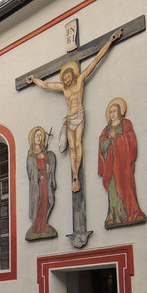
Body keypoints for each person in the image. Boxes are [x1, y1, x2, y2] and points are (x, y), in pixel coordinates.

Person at [26, 29, 122, 192]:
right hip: (69, 118)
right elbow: (46, 85)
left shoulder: (80, 80)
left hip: (80, 114)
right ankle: (75, 176)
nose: (67, 79)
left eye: (68, 77)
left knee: (78, 143)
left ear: (73, 75)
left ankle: (77, 173)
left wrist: (110, 41)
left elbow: (96, 60)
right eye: (64, 78)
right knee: (71, 148)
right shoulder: (63, 88)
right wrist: (34, 79)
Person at [98, 97, 146, 228]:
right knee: (112, 189)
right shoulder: (106, 129)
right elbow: (102, 146)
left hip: (123, 164)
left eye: (115, 111)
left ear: (120, 112)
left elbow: (131, 140)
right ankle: (113, 216)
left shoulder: (126, 124)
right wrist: (108, 140)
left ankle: (132, 213)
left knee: (126, 186)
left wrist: (117, 138)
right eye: (111, 111)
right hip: (110, 165)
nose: (112, 114)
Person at [25, 125, 57, 240]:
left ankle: (43, 224)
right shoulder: (31, 157)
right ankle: (36, 226)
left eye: (40, 136)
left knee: (46, 202)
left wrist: (45, 157)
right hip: (37, 184)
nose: (39, 138)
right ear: (32, 138)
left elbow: (50, 164)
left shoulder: (46, 153)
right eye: (37, 136)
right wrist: (38, 175)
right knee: (38, 203)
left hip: (45, 182)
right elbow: (31, 172)